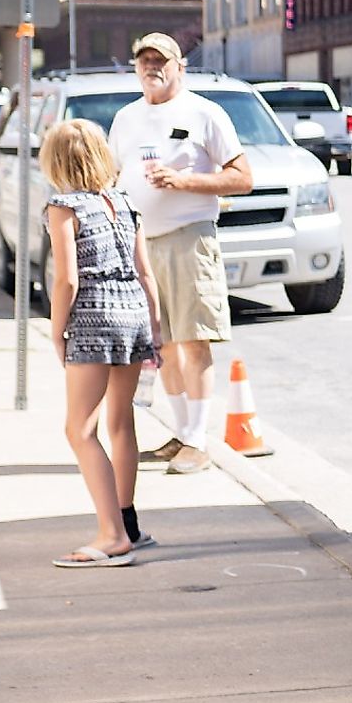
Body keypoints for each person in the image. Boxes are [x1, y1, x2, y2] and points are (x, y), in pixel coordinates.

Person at [108, 34, 252, 473]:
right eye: (144, 60)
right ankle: (182, 433)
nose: (152, 67)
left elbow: (243, 177)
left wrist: (184, 181)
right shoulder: (126, 118)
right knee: (163, 346)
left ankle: (198, 441)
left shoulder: (205, 113)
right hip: (140, 243)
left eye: (161, 60)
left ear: (180, 66)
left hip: (190, 237)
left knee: (194, 339)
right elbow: (113, 175)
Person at [40, 118, 162, 568]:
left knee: (79, 430)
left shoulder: (63, 207)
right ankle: (128, 522)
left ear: (56, 162)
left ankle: (112, 536)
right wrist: (156, 327)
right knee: (120, 421)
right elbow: (146, 272)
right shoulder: (124, 202)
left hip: (94, 317)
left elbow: (66, 280)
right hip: (132, 312)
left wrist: (58, 331)